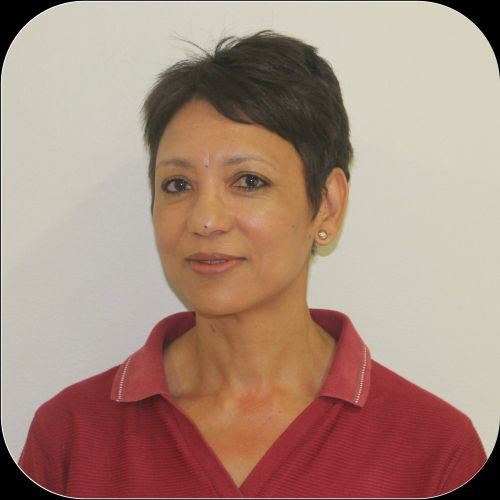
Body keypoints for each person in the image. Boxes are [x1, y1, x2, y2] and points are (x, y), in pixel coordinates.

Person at [18, 30, 487, 498]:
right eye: (178, 185)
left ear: (327, 205)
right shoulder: (69, 437)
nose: (205, 219)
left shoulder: (435, 452)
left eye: (248, 181)